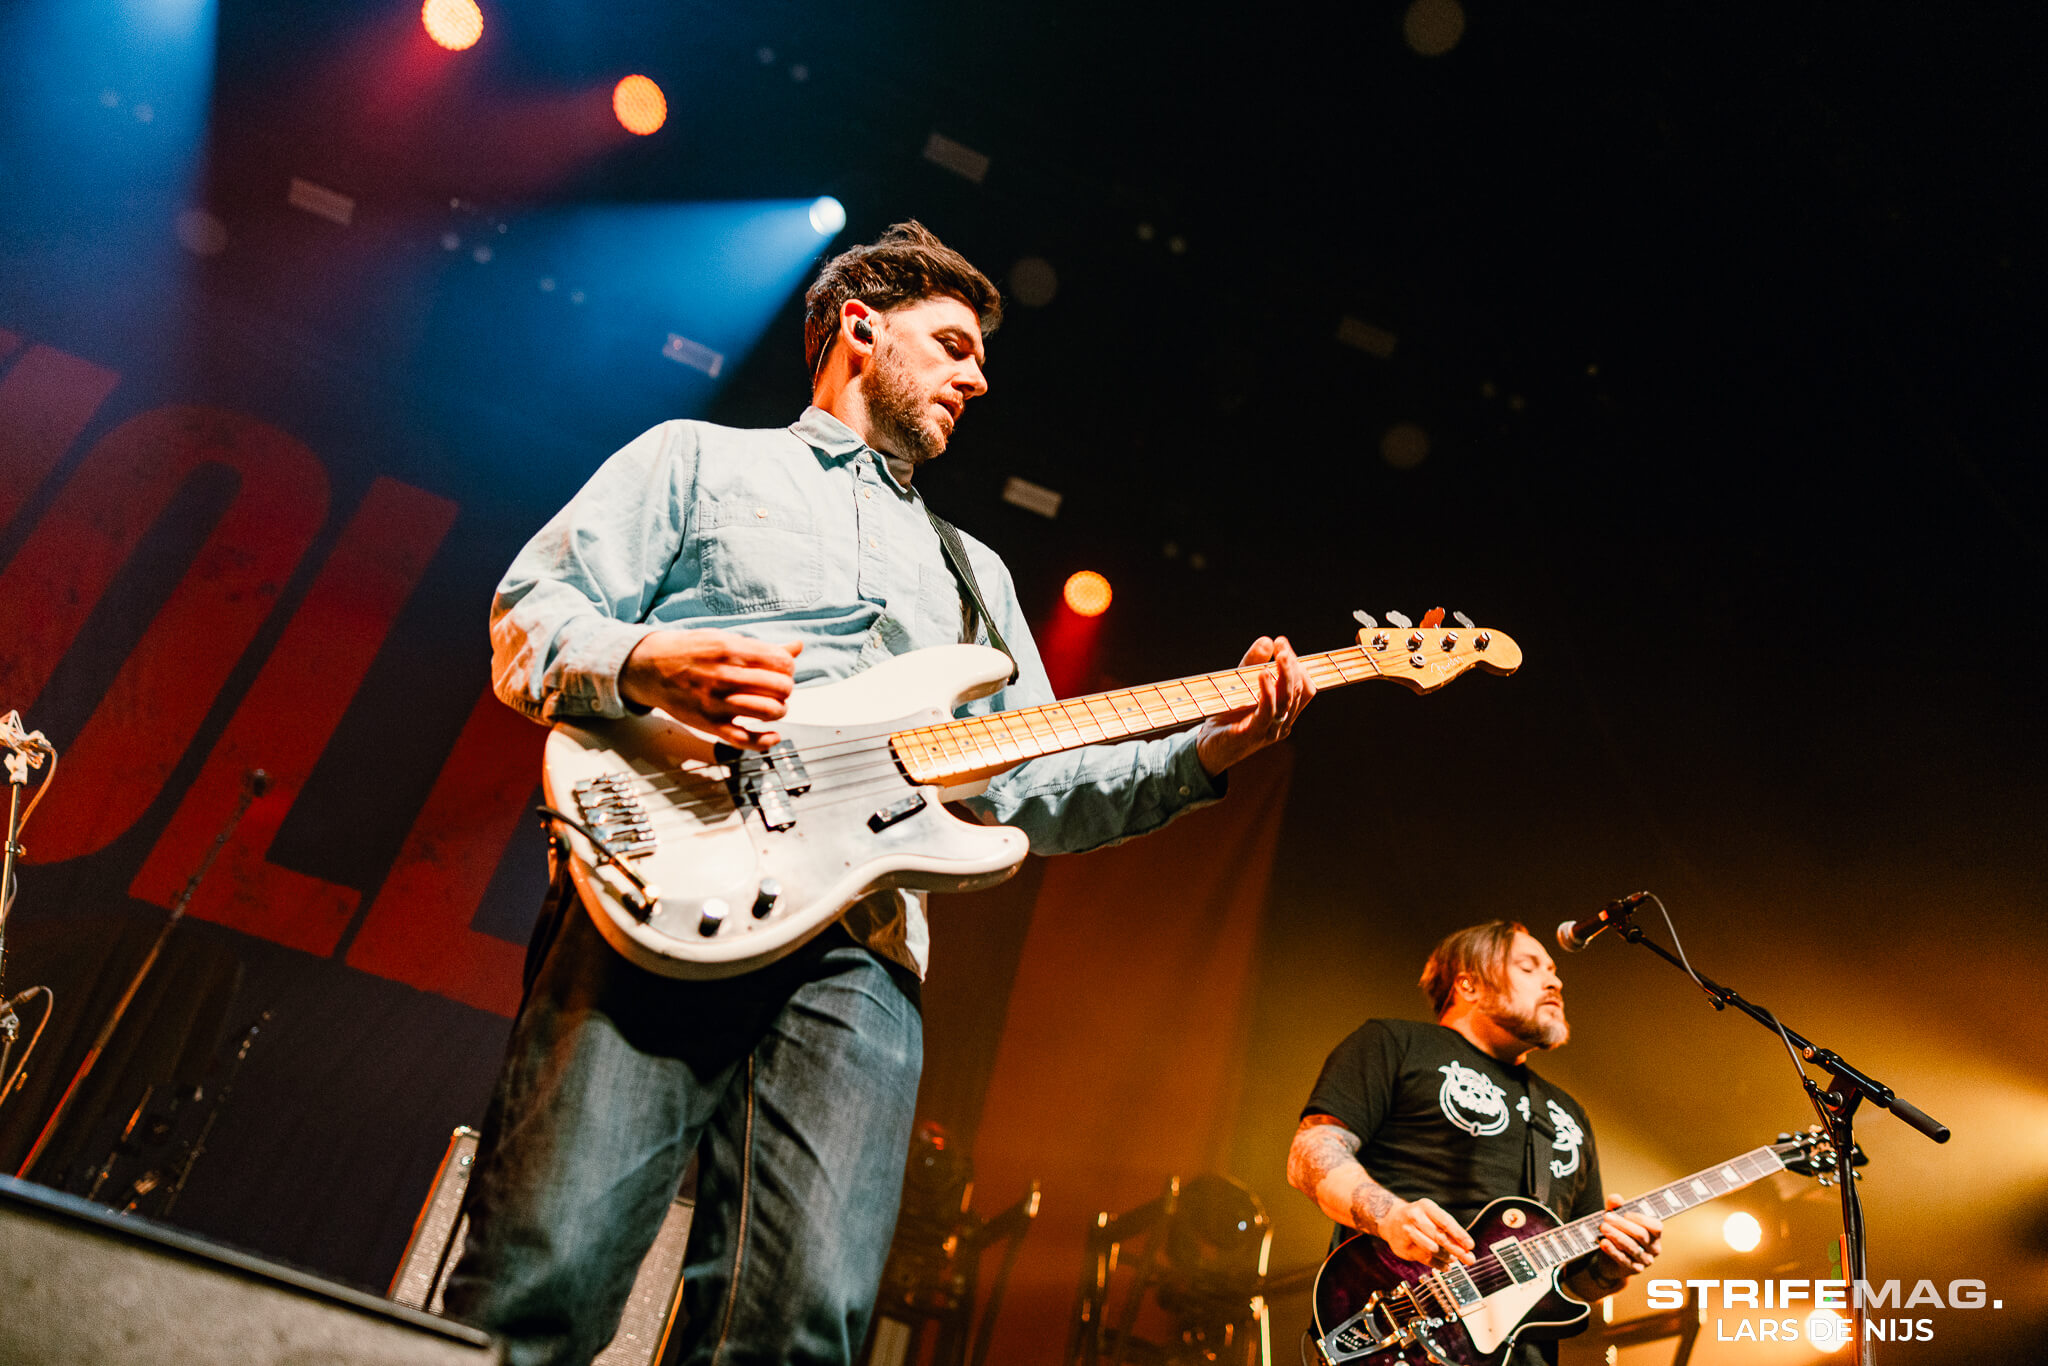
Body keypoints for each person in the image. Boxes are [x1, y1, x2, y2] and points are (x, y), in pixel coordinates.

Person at [444, 221, 1316, 1366]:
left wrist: (1207, 751)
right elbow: (530, 619)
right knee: (543, 1273)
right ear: (859, 328)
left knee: (802, 1325)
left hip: (861, 952)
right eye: (952, 345)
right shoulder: (694, 459)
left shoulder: (975, 573)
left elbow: (1032, 784)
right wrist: (650, 661)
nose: (976, 378)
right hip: (655, 888)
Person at [1287, 921, 1663, 1366]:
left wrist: (1612, 1269)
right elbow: (1312, 1152)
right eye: (1529, 967)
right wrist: (1389, 1216)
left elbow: (1570, 1284)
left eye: (1553, 970)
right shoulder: (1395, 1044)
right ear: (1469, 984)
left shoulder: (1567, 1114)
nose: (1555, 981)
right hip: (1393, 1331)